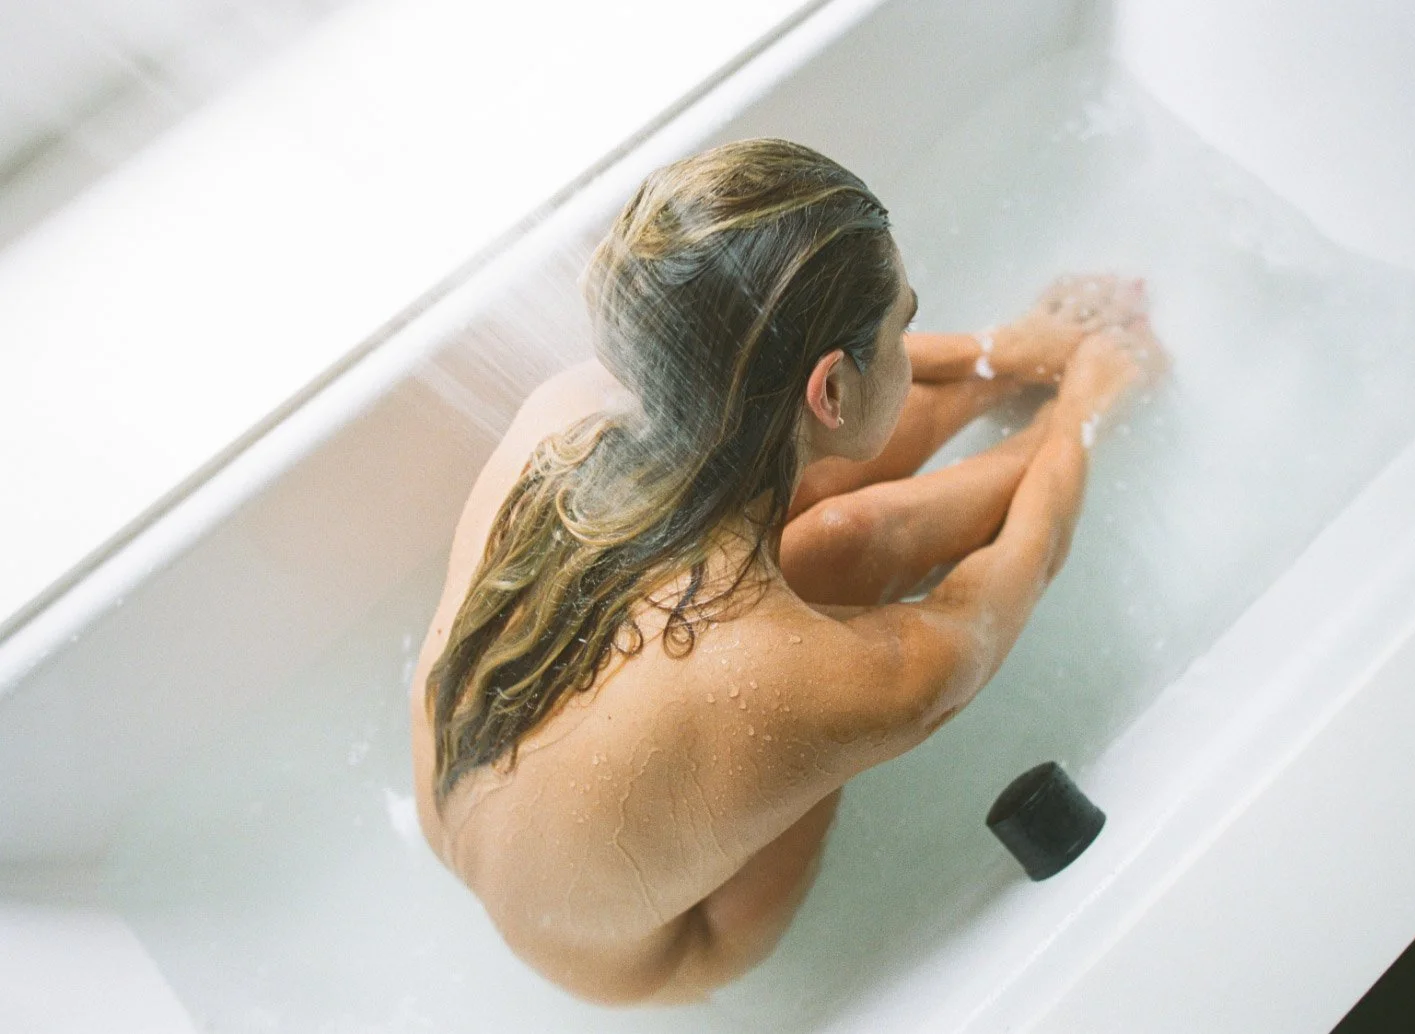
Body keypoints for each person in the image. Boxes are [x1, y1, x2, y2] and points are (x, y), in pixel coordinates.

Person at [408, 137, 1165, 1005]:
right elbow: (1008, 579)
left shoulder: (572, 407)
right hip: (663, 951)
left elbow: (770, 377)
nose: (911, 342)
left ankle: (1018, 385)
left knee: (799, 504)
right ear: (831, 388)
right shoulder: (793, 675)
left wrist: (1005, 351)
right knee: (838, 554)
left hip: (468, 815)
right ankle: (1050, 416)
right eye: (903, 328)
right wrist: (1089, 406)